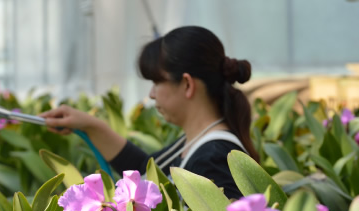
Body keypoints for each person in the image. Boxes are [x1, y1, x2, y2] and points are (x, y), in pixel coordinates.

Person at [40, 26, 259, 199]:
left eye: (156, 82)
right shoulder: (196, 143)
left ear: (186, 84)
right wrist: (90, 125)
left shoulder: (213, 158)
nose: (152, 94)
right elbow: (147, 173)